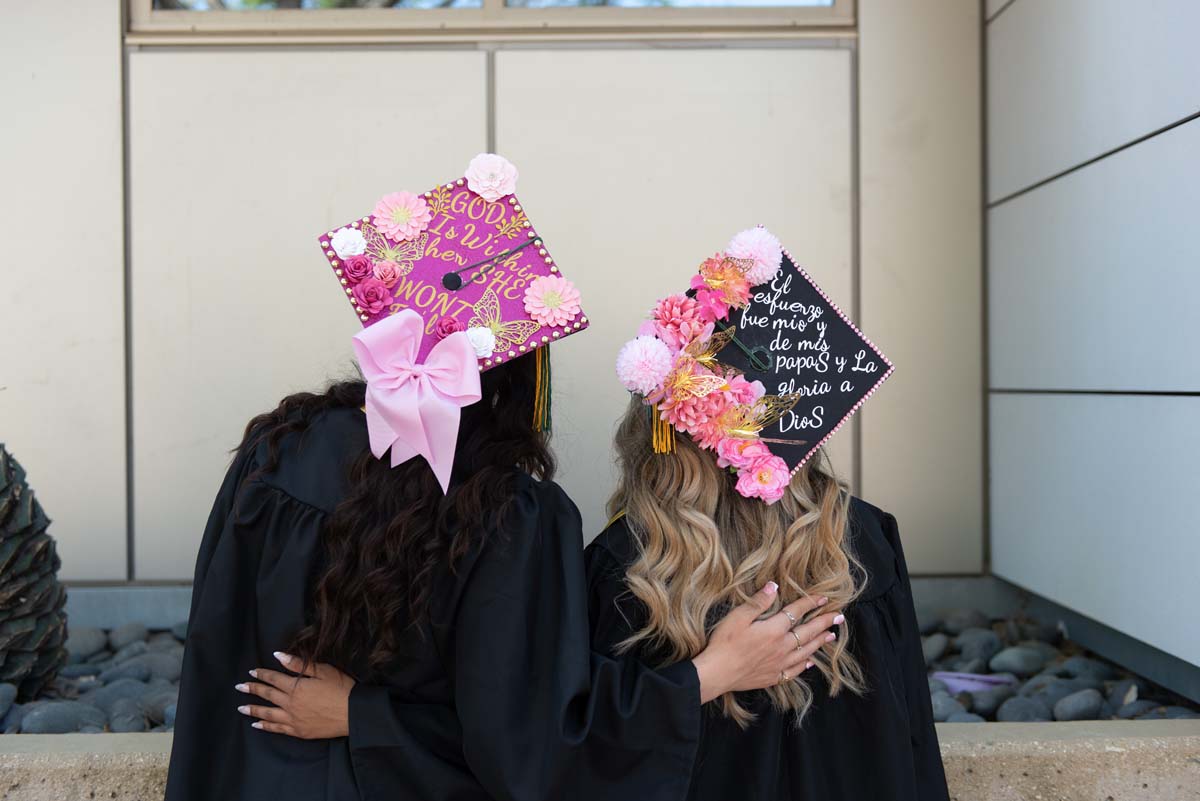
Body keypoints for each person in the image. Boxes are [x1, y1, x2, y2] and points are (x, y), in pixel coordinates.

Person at [167, 159, 840, 801]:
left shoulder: (274, 453)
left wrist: (359, 715)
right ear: (522, 372)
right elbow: (530, 749)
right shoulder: (510, 513)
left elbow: (215, 647)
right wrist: (705, 676)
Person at [587, 225, 950, 800]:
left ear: (654, 424)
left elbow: (597, 755)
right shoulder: (861, 541)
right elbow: (911, 737)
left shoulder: (632, 565)